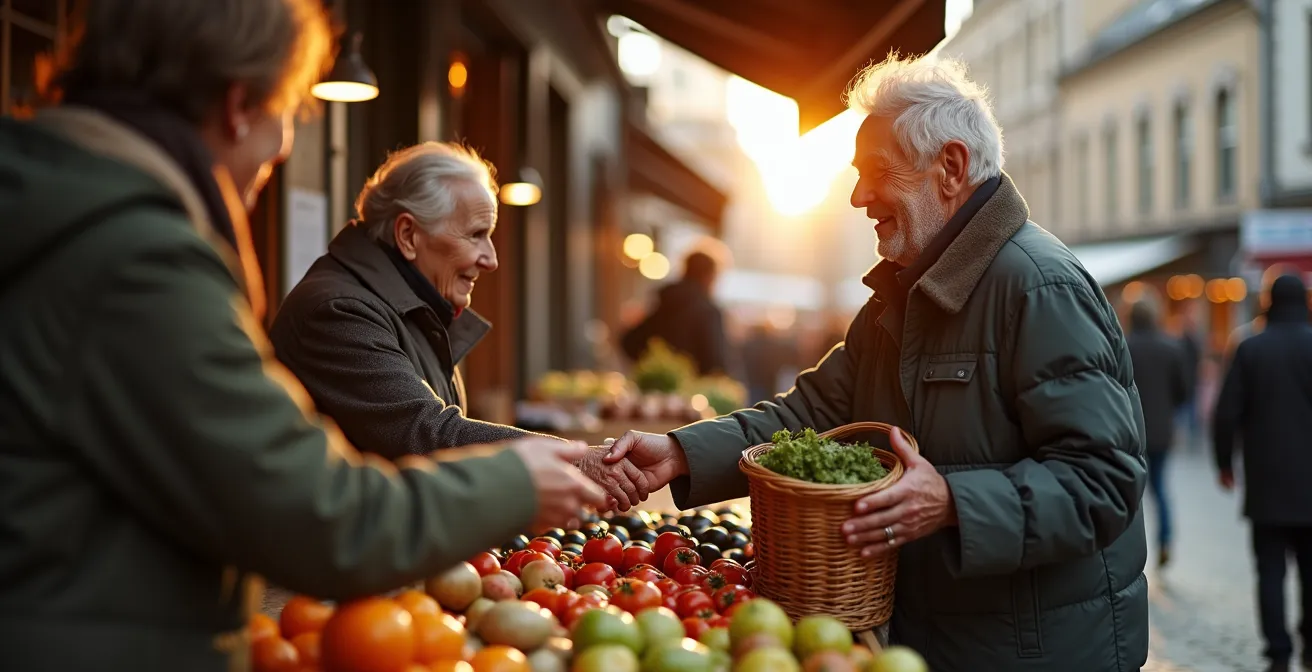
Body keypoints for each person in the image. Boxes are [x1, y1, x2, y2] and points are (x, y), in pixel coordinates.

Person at [0, 2, 604, 669]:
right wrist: (521, 478)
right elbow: (325, 516)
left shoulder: (57, 204)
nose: (283, 145)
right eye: (287, 111)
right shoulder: (137, 258)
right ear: (238, 106)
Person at [603, 53, 1148, 670]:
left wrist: (951, 500)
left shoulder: (1039, 287)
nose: (860, 197)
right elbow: (810, 412)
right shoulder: (901, 294)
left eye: (875, 173)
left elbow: (1104, 481)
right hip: (939, 637)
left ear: (950, 167)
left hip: (1035, 651)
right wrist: (680, 452)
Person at [269, 143, 643, 501]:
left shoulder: (413, 306)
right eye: (476, 235)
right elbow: (428, 433)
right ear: (407, 235)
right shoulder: (339, 311)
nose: (491, 259)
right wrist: (575, 460)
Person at [1213, 274, 1312, 672]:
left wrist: (1224, 464)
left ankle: (1278, 653)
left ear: (1269, 301)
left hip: (1267, 482)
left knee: (1269, 571)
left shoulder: (1250, 348)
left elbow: (1226, 413)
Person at [1125, 295, 1189, 568]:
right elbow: (1184, 391)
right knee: (1161, 488)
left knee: (1129, 493)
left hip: (1130, 430)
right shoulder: (1171, 347)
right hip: (1162, 430)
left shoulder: (1123, 346)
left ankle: (1130, 549)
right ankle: (1164, 541)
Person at [620, 246, 732, 376]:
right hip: (694, 390)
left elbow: (629, 342)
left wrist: (652, 367)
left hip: (659, 388)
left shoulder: (666, 303)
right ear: (709, 276)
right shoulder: (707, 311)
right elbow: (715, 361)